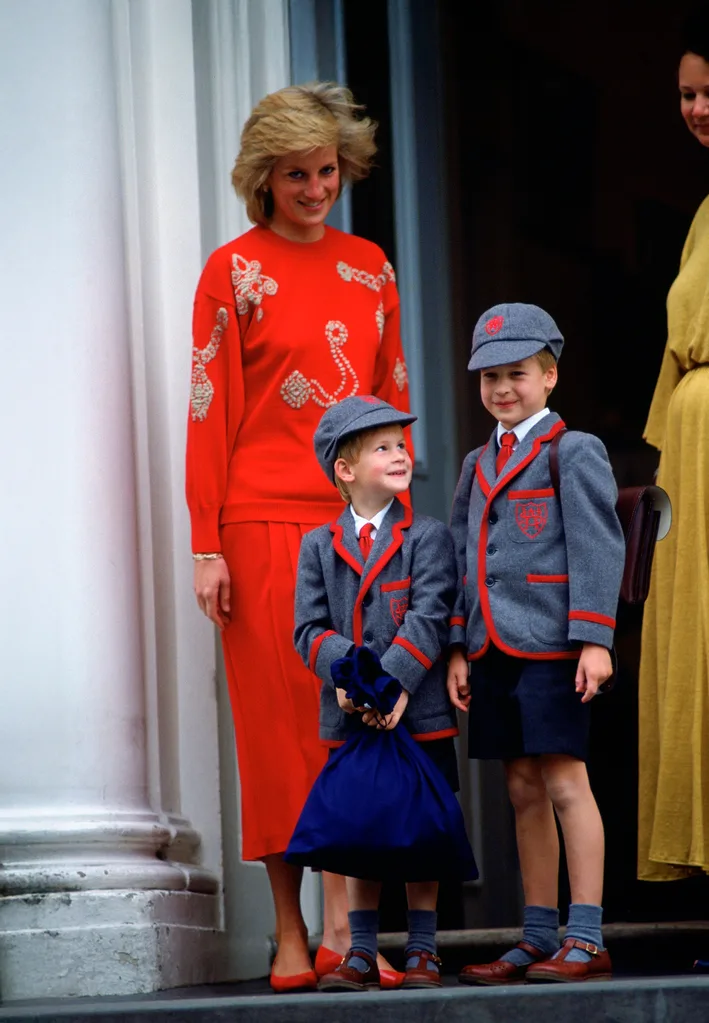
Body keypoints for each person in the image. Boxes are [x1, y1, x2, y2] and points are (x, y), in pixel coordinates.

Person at [186, 82, 411, 992]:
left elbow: (391, 404)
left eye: (327, 171)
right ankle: (289, 934)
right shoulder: (232, 269)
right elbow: (209, 414)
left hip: (353, 525)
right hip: (258, 524)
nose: (316, 188)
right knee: (279, 732)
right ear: (262, 178)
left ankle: (348, 939)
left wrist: (396, 522)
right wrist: (207, 544)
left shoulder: (373, 269)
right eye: (296, 175)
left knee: (357, 722)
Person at [448, 304, 625, 984]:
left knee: (562, 778)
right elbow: (468, 557)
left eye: (516, 374)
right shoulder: (474, 462)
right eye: (489, 376)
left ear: (548, 376)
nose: (501, 388)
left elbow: (595, 543)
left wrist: (594, 639)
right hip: (493, 647)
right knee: (519, 786)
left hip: (553, 642)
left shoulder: (570, 449)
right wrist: (461, 645)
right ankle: (536, 932)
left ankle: (586, 934)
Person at [293, 395, 461, 992]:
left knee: (422, 831)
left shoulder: (430, 536)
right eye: (384, 447)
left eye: (401, 445)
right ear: (345, 468)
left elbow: (430, 615)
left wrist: (390, 684)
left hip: (418, 711)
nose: (400, 454)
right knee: (361, 833)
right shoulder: (317, 545)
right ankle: (361, 951)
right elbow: (309, 630)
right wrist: (353, 683)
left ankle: (422, 950)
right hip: (352, 715)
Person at [638, 6, 709, 888]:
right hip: (692, 457)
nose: (696, 108)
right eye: (687, 94)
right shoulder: (700, 212)